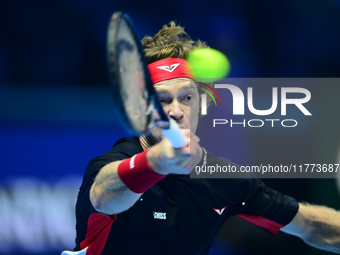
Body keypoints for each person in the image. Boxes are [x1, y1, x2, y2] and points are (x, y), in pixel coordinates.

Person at [71, 22, 340, 255]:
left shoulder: (221, 178)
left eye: (186, 98)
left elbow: (312, 225)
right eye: (162, 100)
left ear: (201, 105)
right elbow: (103, 194)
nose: (176, 111)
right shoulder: (112, 164)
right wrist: (158, 163)